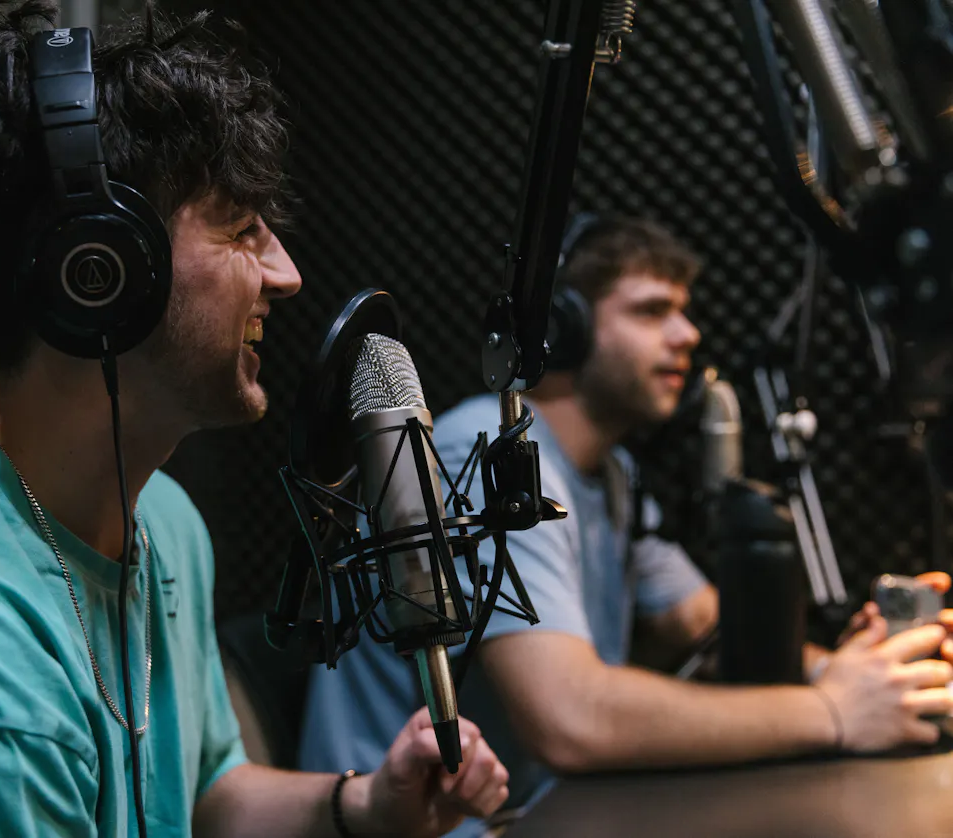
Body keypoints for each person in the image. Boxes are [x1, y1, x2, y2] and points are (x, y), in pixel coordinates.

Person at [0, 4, 512, 837]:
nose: (287, 273)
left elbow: (202, 796)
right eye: (241, 228)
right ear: (102, 271)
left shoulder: (157, 515)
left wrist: (364, 806)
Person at [297, 214, 953, 836]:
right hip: (418, 827)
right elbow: (571, 718)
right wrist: (835, 711)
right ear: (566, 330)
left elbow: (703, 620)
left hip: (531, 815)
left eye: (685, 310)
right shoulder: (487, 453)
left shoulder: (613, 475)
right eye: (651, 310)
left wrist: (863, 672)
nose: (689, 334)